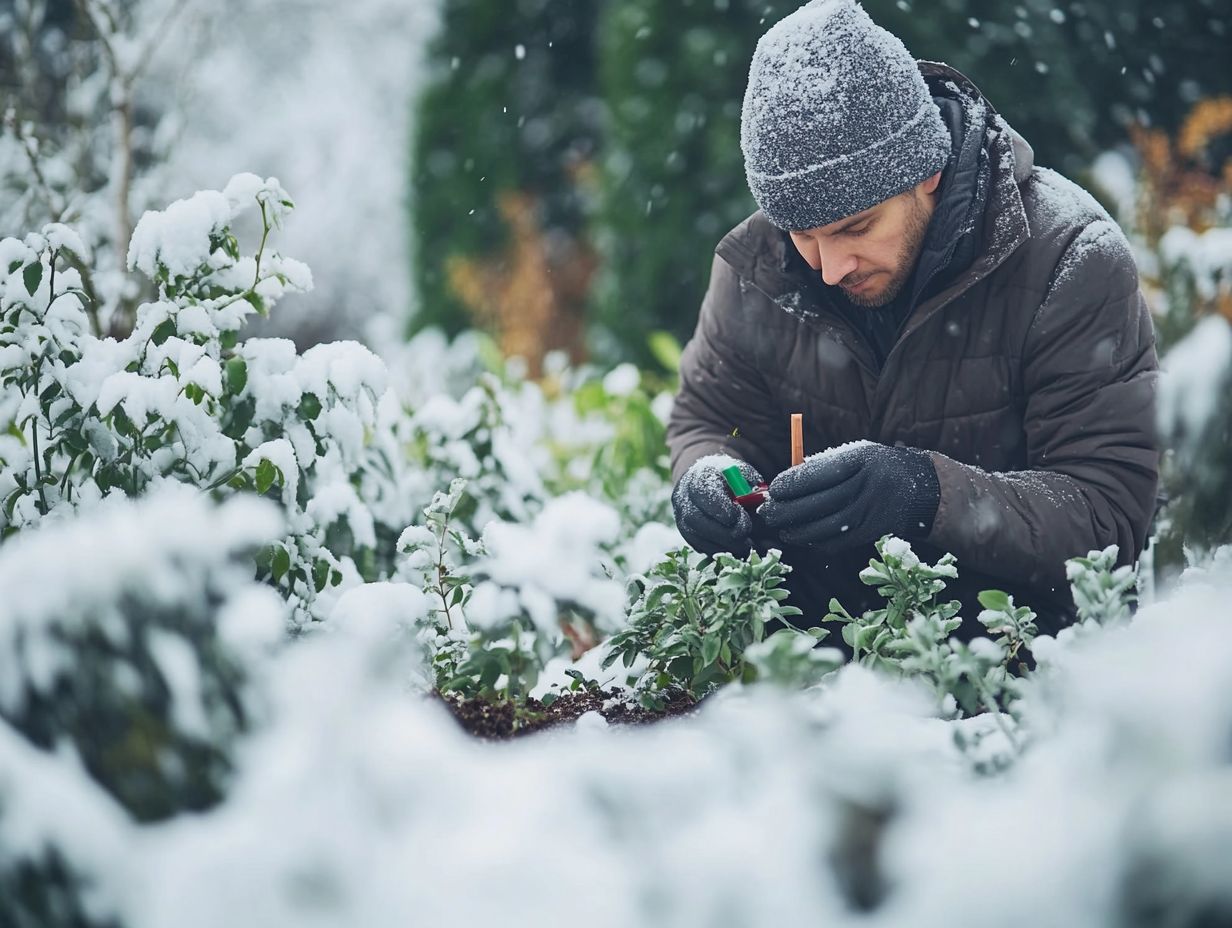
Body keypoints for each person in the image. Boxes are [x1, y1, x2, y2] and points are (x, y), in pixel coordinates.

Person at [666, 0, 1160, 637]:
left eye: (856, 228)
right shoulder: (756, 265)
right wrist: (706, 477)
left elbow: (1108, 514)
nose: (828, 268)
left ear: (926, 172)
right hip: (815, 667)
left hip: (1014, 670)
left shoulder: (1071, 259)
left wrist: (928, 493)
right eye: (803, 235)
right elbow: (707, 420)